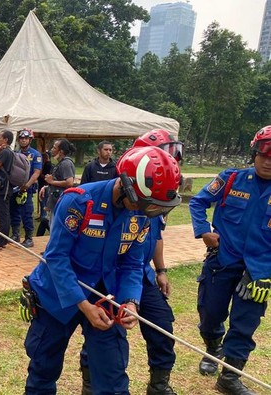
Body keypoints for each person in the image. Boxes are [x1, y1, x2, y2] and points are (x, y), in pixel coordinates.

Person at [22, 146, 182, 395]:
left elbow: (132, 263)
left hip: (106, 297)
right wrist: (84, 306)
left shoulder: (142, 212)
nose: (148, 211)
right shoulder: (79, 201)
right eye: (145, 203)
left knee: (112, 374)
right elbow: (57, 258)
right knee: (44, 367)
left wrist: (130, 302)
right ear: (126, 185)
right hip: (59, 292)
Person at [79, 129, 184, 395]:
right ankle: (91, 384)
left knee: (162, 325)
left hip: (139, 273)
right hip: (108, 274)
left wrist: (160, 270)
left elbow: (154, 237)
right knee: (104, 331)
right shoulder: (129, 193)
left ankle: (159, 384)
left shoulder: (156, 194)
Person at [189, 125, 271, 395]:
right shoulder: (231, 179)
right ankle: (213, 349)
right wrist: (203, 230)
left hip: (260, 271)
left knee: (244, 323)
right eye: (264, 154)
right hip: (222, 261)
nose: (268, 161)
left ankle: (230, 377)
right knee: (210, 314)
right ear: (254, 153)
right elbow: (198, 202)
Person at [10, 129, 43, 248]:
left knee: (26, 213)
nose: (23, 140)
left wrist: (26, 185)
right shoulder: (15, 153)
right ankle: (15, 234)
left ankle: (29, 238)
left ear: (30, 140)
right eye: (21, 138)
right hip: (14, 188)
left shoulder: (35, 154)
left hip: (27, 189)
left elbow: (37, 172)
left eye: (26, 138)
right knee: (14, 211)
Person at [39, 138, 76, 228]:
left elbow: (69, 182)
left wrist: (52, 181)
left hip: (62, 202)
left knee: (56, 227)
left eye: (55, 148)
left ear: (61, 151)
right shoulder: (61, 163)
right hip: (56, 201)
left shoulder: (66, 163)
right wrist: (47, 186)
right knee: (52, 225)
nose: (52, 149)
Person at [36, 152, 53, 236]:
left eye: (43, 157)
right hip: (42, 185)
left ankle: (43, 216)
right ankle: (42, 216)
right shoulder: (44, 164)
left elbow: (47, 176)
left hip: (45, 185)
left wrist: (40, 174)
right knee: (41, 201)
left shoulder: (48, 165)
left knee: (44, 202)